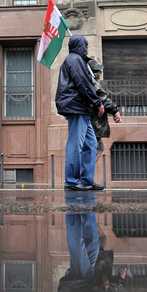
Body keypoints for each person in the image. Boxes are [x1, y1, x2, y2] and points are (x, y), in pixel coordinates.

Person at [55, 35, 104, 191]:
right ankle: (71, 181)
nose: (87, 49)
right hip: (76, 106)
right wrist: (97, 102)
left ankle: (86, 179)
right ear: (80, 45)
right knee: (76, 144)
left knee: (91, 144)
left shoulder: (76, 60)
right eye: (86, 46)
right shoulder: (74, 59)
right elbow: (82, 83)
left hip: (82, 108)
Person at [86, 56, 121, 153]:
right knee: (93, 150)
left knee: (99, 148)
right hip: (93, 123)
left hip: (94, 124)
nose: (101, 74)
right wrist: (115, 110)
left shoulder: (91, 80)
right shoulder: (92, 81)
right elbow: (103, 98)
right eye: (99, 71)